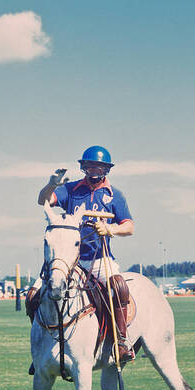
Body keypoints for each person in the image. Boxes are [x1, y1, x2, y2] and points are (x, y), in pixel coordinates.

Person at [35, 145, 135, 361]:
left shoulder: (114, 195)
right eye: (89, 166)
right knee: (34, 295)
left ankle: (121, 341)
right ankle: (39, 345)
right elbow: (42, 201)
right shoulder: (70, 189)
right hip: (70, 259)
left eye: (98, 167)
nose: (93, 171)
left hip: (99, 259)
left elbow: (129, 226)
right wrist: (52, 184)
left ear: (107, 169)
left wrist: (110, 229)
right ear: (83, 168)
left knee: (118, 287)